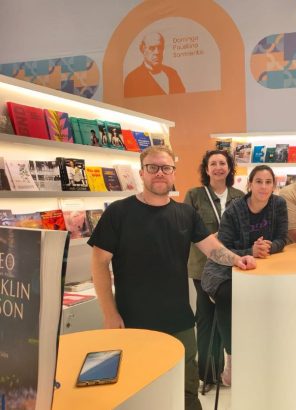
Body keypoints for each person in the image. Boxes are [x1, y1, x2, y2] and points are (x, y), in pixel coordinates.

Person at [88, 146, 256, 410]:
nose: (160, 173)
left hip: (180, 321)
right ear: (142, 173)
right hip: (133, 322)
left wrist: (237, 259)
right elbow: (99, 263)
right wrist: (110, 314)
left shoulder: (185, 213)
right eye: (153, 167)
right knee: (140, 393)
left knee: (186, 392)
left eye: (166, 168)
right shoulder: (118, 213)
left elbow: (211, 247)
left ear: (173, 173)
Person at [201, 165, 289, 386]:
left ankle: (265, 355)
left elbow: (282, 238)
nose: (263, 187)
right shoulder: (234, 210)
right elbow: (222, 247)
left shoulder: (279, 204)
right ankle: (233, 358)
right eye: (258, 181)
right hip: (225, 267)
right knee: (228, 294)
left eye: (268, 182)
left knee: (274, 295)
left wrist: (268, 247)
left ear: (274, 185)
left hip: (261, 268)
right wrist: (251, 250)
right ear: (250, 184)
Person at [183, 150, 244, 392]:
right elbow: (185, 229)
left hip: (232, 268)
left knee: (227, 316)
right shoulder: (194, 195)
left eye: (223, 163)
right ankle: (208, 375)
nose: (218, 167)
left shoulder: (240, 196)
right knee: (206, 318)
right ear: (206, 169)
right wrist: (212, 239)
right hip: (203, 267)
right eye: (213, 163)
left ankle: (229, 370)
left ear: (229, 168)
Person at [124, 32, 186, 98]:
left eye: (160, 47)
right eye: (152, 48)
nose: (157, 52)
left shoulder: (172, 73)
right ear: (143, 49)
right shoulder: (132, 79)